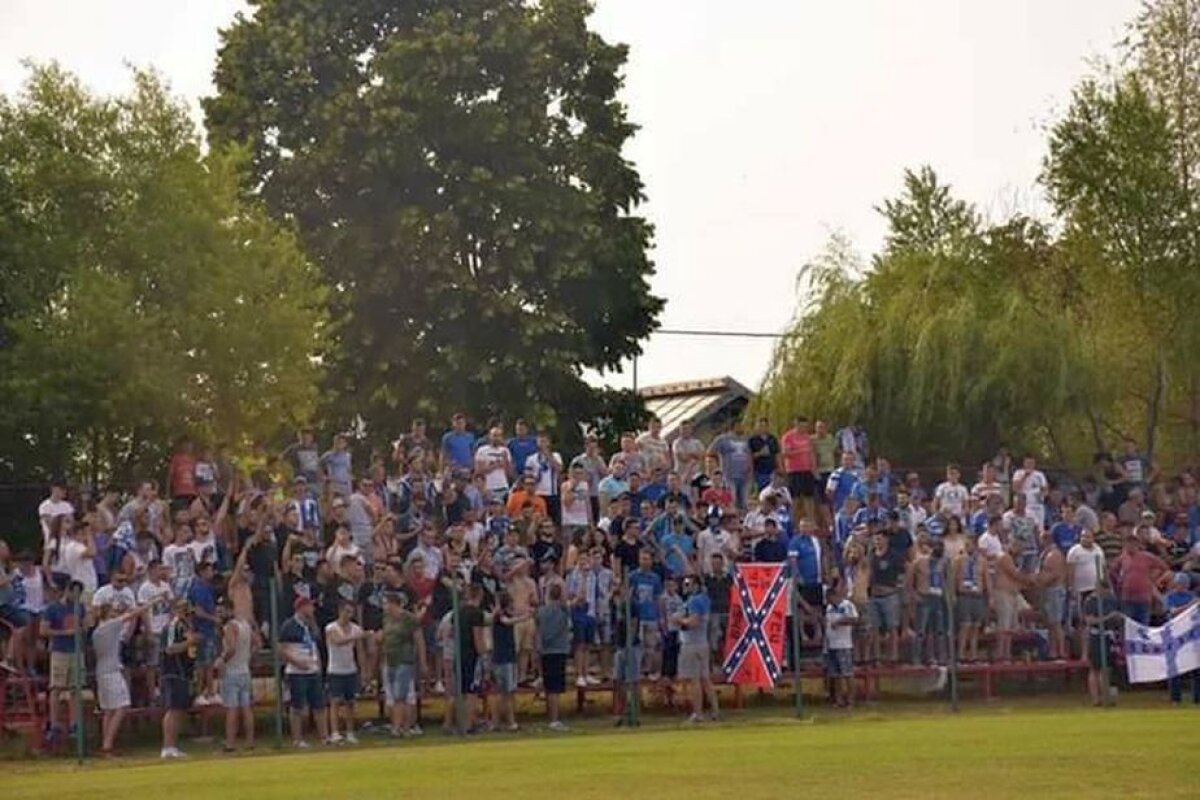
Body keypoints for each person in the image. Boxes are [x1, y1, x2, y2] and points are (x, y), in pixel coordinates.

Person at [92, 600, 144, 757]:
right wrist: (156, 601)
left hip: (102, 671)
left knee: (108, 710)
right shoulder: (110, 625)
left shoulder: (98, 630)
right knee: (121, 706)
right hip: (112, 671)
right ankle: (107, 744)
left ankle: (106, 744)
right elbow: (134, 614)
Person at [278, 596, 328, 747]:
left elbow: (314, 645)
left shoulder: (310, 626)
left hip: (312, 669)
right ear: (302, 607)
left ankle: (324, 737)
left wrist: (318, 665)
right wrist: (296, 661)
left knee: (319, 705)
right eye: (310, 606)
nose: (312, 610)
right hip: (296, 671)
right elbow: (281, 648)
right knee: (297, 706)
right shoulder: (289, 625)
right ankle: (297, 739)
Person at [675, 574, 719, 723]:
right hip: (702, 642)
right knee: (705, 679)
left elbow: (693, 622)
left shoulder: (694, 601)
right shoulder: (705, 599)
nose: (685, 586)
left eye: (688, 584)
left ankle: (698, 713)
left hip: (692, 643)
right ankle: (715, 711)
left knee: (695, 680)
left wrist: (678, 620)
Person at [217, 604, 257, 752]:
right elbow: (257, 643)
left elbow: (231, 648)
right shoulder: (245, 625)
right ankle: (250, 740)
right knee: (246, 707)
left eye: (222, 611)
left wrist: (222, 659)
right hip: (244, 670)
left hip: (232, 671)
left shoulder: (230, 627)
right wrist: (248, 656)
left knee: (232, 708)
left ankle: (230, 742)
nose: (219, 614)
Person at [325, 600, 366, 744]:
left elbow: (359, 650)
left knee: (350, 702)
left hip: (350, 669)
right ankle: (335, 732)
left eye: (351, 612)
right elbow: (337, 641)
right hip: (335, 669)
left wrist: (363, 669)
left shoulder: (355, 628)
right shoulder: (331, 628)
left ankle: (350, 732)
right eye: (346, 611)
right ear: (340, 611)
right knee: (335, 701)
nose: (348, 615)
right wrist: (357, 636)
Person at [160, 598, 195, 759]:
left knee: (179, 709)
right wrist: (189, 643)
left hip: (184, 671)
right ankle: (168, 746)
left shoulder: (186, 626)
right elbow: (170, 649)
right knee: (172, 709)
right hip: (174, 670)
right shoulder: (174, 626)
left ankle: (173, 744)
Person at [536, 583, 572, 731]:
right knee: (555, 688)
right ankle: (554, 719)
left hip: (546, 651)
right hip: (559, 650)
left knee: (549, 686)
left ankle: (551, 716)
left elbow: (538, 631)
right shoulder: (563, 610)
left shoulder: (541, 612)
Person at [1083, 581, 1120, 707]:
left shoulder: (1111, 599)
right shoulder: (1090, 602)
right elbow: (1089, 620)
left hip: (1109, 636)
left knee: (1107, 669)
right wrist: (1108, 617)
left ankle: (1107, 697)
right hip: (1096, 636)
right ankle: (1095, 699)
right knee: (1095, 668)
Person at [1162, 573, 1198, 704]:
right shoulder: (1169, 597)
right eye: (1179, 584)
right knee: (1175, 668)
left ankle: (1197, 698)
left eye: (1184, 584)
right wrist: (1190, 606)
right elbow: (1173, 612)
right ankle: (1175, 698)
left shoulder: (1191, 596)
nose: (1182, 587)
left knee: (1195, 667)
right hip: (1175, 635)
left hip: (1191, 636)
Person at [491, 590, 523, 731]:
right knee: (506, 692)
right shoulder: (499, 616)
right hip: (503, 658)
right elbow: (508, 621)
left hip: (508, 656)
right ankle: (510, 723)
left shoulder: (505, 614)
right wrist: (525, 617)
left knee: (505, 693)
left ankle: (496, 722)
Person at [953, 535, 988, 663]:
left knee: (975, 626)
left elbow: (986, 579)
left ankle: (973, 654)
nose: (969, 547)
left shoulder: (982, 561)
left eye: (971, 544)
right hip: (964, 595)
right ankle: (961, 654)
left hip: (977, 595)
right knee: (965, 626)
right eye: (966, 545)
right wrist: (953, 594)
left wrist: (989, 596)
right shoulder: (959, 560)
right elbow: (953, 578)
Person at [823, 580, 857, 708]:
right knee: (835, 675)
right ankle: (839, 699)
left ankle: (851, 700)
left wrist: (839, 622)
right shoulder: (829, 608)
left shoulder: (847, 605)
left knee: (847, 673)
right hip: (832, 645)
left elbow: (854, 619)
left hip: (844, 645)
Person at [708, 420, 753, 510]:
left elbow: (750, 455)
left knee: (744, 503)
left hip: (745, 476)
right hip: (729, 475)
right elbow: (710, 452)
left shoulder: (747, 439)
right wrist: (716, 467)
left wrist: (750, 469)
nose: (741, 428)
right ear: (734, 426)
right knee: (732, 501)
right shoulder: (723, 439)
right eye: (739, 426)